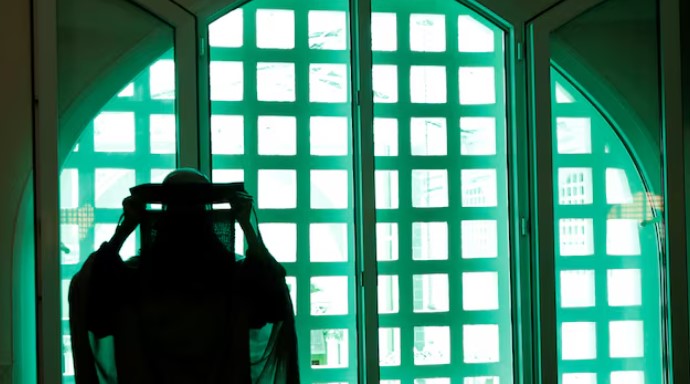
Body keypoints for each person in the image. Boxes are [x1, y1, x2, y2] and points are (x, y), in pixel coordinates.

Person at [69, 169, 299, 383]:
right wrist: (246, 225)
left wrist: (126, 227)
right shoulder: (235, 277)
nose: (187, 218)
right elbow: (273, 293)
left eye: (193, 207)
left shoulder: (135, 278)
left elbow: (273, 298)